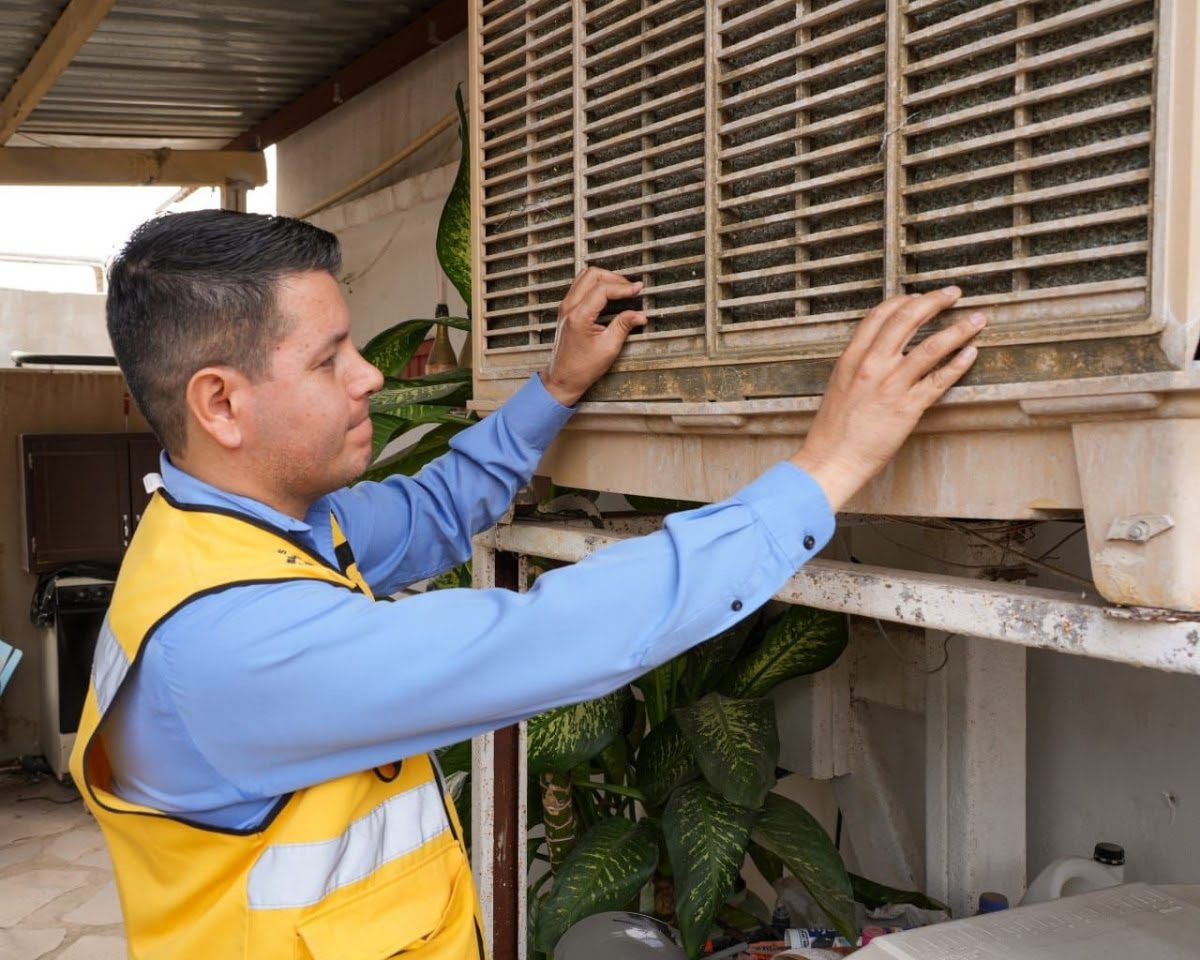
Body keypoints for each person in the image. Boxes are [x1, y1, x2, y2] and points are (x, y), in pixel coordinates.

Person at [71, 210, 985, 960]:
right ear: (220, 403)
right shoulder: (231, 648)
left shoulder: (251, 527)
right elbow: (551, 635)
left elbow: (435, 509)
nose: (370, 375)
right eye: (328, 359)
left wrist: (554, 385)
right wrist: (825, 467)